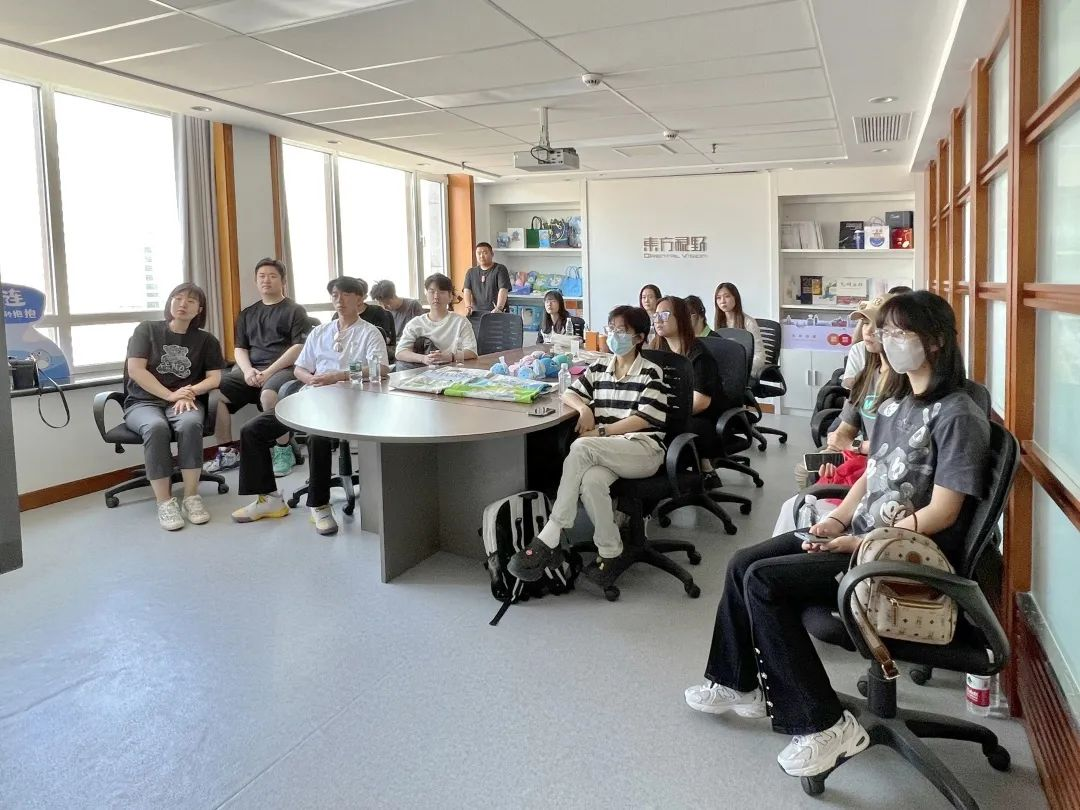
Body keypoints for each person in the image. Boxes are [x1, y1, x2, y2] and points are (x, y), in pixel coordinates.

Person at [683, 291, 990, 780]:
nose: (887, 341)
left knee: (763, 581)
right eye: (885, 332)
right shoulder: (897, 402)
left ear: (935, 341)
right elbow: (873, 474)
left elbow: (943, 512)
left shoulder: (958, 413)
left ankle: (824, 723)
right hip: (865, 537)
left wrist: (861, 543)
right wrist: (839, 520)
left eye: (900, 333)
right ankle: (736, 681)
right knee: (743, 562)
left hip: (904, 557)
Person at [507, 305, 669, 588]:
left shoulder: (650, 372)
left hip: (643, 450)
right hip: (609, 449)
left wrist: (600, 431)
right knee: (592, 482)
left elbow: (643, 419)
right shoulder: (600, 367)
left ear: (639, 337)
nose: (614, 335)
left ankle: (553, 532)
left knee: (581, 447)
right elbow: (568, 393)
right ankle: (611, 551)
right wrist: (583, 409)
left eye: (622, 331)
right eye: (611, 329)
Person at [231, 277, 389, 536]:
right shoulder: (320, 332)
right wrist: (310, 379)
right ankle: (269, 499)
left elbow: (381, 369)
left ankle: (319, 504)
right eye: (335, 295)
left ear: (360, 299)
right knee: (252, 430)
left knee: (318, 436)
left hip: (350, 403)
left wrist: (337, 376)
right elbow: (300, 368)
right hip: (312, 398)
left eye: (346, 295)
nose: (339, 300)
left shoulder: (369, 333)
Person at [123, 283, 224, 532]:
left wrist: (190, 392)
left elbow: (214, 378)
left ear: (199, 309)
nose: (182, 304)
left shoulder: (207, 341)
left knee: (190, 423)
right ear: (169, 302)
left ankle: (191, 497)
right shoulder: (147, 330)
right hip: (143, 402)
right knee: (155, 427)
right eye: (177, 298)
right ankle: (165, 502)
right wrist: (170, 395)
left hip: (184, 400)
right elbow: (136, 370)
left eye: (190, 301)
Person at [206, 258, 310, 477]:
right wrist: (247, 371)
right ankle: (227, 452)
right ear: (256, 281)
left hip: (284, 369)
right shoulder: (248, 313)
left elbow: (298, 348)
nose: (266, 280)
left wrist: (268, 372)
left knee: (269, 396)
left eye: (272, 276)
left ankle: (283, 450)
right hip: (252, 370)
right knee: (215, 394)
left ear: (283, 281)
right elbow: (240, 348)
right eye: (261, 276)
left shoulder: (295, 310)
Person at [651, 296, 720, 457]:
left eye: (664, 315)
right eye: (656, 315)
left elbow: (701, 402)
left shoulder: (699, 355)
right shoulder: (657, 349)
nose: (658, 320)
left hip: (699, 418)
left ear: (681, 318)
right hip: (669, 411)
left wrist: (665, 415)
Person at [396, 273, 478, 366]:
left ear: (450, 296)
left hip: (454, 370)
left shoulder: (461, 322)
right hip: (424, 370)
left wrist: (450, 356)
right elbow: (400, 352)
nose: (436, 296)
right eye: (431, 292)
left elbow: (472, 352)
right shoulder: (416, 323)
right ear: (426, 294)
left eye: (441, 292)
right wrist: (423, 358)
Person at [843, 288, 911, 388]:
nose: (868, 331)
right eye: (866, 323)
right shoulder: (867, 374)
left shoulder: (910, 374)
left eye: (878, 325)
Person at [713, 282, 765, 377]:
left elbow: (760, 356)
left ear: (735, 298)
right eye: (718, 298)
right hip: (726, 372)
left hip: (744, 372)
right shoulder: (719, 323)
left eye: (727, 296)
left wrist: (740, 368)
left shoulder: (749, 323)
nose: (722, 301)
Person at [350, 277, 396, 358]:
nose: (356, 298)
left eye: (359, 294)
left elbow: (386, 339)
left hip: (375, 353)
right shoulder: (338, 316)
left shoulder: (378, 312)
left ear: (365, 296)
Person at [462, 242, 511, 317]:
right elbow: (467, 290)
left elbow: (503, 289)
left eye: (485, 253)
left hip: (497, 313)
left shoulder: (500, 269)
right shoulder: (471, 272)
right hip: (477, 313)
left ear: (492, 254)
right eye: (479, 253)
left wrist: (499, 308)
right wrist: (468, 307)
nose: (481, 256)